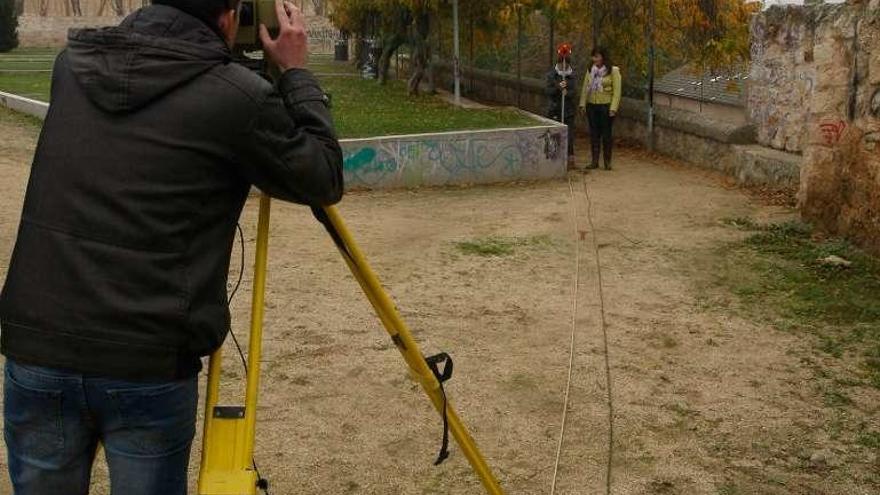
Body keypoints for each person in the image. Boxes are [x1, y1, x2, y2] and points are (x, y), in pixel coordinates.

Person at [0, 0, 343, 493]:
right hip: (147, 363)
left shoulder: (71, 67)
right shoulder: (237, 98)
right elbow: (323, 175)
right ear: (230, 15)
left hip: (38, 347)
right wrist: (294, 75)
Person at [578, 46, 621, 170]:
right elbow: (585, 87)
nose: (594, 59)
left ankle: (607, 162)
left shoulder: (613, 70)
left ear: (603, 57)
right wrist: (582, 104)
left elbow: (617, 91)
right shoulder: (590, 70)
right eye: (593, 56)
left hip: (606, 106)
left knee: (606, 134)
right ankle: (594, 161)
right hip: (592, 105)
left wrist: (613, 108)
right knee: (594, 134)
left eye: (597, 56)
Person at [545, 42, 578, 170]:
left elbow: (574, 92)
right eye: (561, 65)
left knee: (569, 136)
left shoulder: (572, 76)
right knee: (554, 134)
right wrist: (558, 88)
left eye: (566, 65)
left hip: (568, 110)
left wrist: (567, 93)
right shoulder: (551, 75)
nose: (563, 67)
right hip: (555, 109)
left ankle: (570, 160)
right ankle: (553, 160)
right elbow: (548, 91)